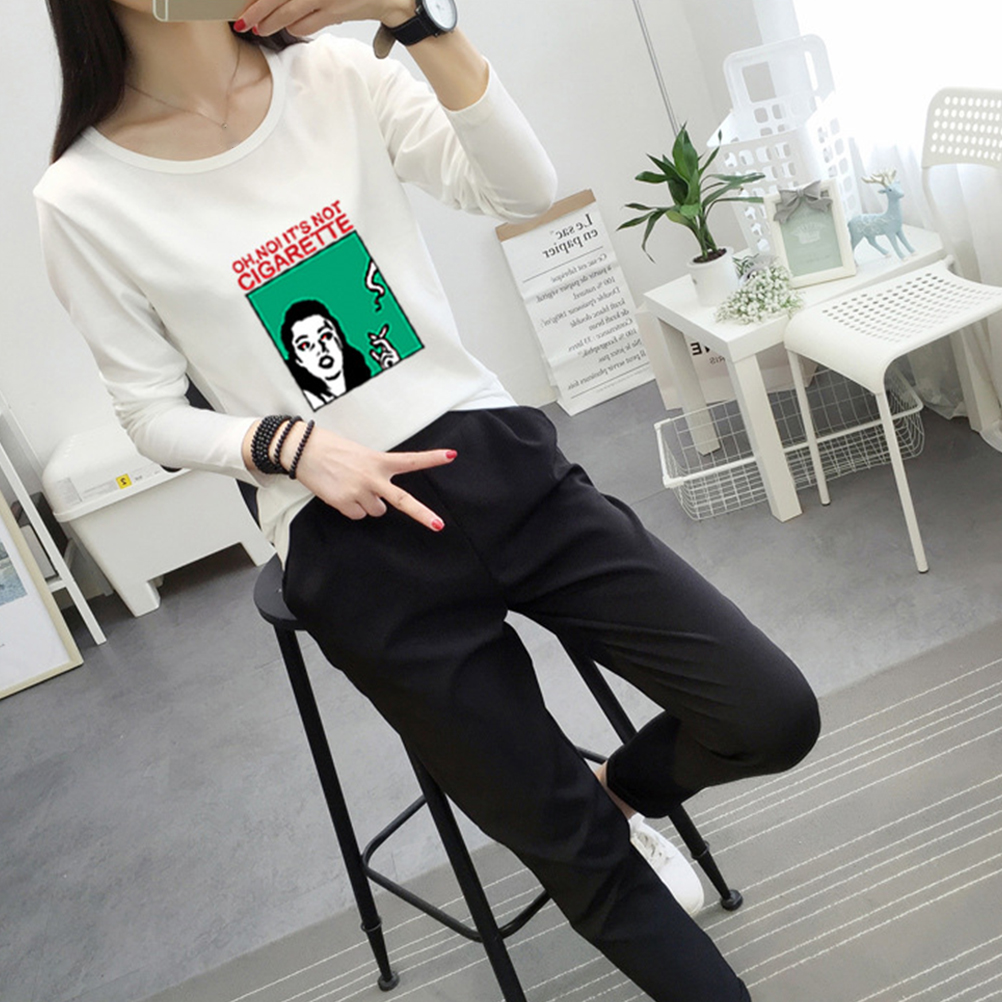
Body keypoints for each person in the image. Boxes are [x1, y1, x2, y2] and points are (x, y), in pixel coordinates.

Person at [35, 3, 821, 1001]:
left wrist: (415, 19)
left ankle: (618, 791)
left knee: (772, 713)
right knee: (579, 859)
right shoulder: (85, 195)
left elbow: (521, 188)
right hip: (352, 544)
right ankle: (592, 830)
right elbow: (148, 411)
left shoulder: (336, 76)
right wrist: (284, 444)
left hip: (497, 464)